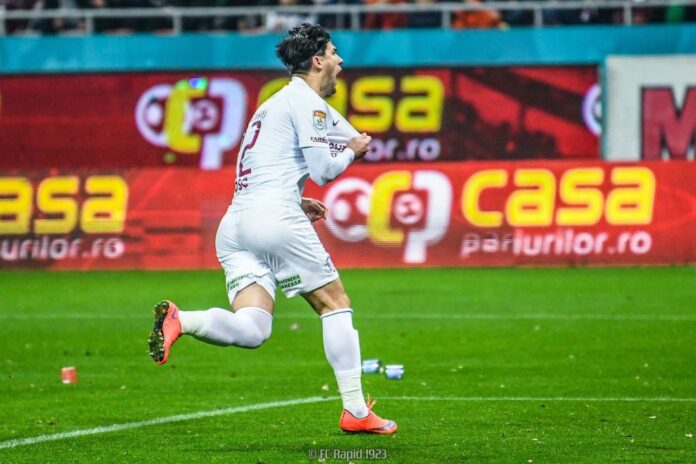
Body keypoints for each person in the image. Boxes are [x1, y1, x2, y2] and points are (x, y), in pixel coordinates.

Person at [148, 23, 397, 435]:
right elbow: (323, 170)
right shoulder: (307, 103)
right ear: (317, 61)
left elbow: (264, 169)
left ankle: (182, 319)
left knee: (253, 328)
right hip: (273, 219)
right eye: (334, 52)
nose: (340, 60)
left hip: (236, 224)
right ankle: (355, 410)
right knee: (335, 304)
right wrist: (351, 152)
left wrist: (296, 200)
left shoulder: (271, 106)